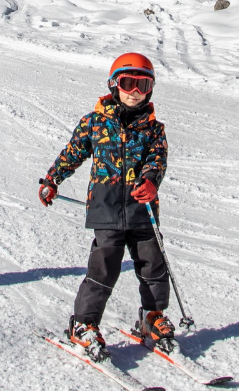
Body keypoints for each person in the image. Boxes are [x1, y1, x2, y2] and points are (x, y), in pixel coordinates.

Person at [39, 53, 172, 361]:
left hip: (143, 211)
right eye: (128, 82)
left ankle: (152, 316)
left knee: (153, 266)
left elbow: (157, 160)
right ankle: (84, 324)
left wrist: (151, 181)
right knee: (103, 269)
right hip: (106, 209)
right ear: (115, 84)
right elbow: (72, 153)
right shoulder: (94, 122)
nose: (135, 90)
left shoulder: (154, 129)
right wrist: (52, 180)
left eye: (143, 84)